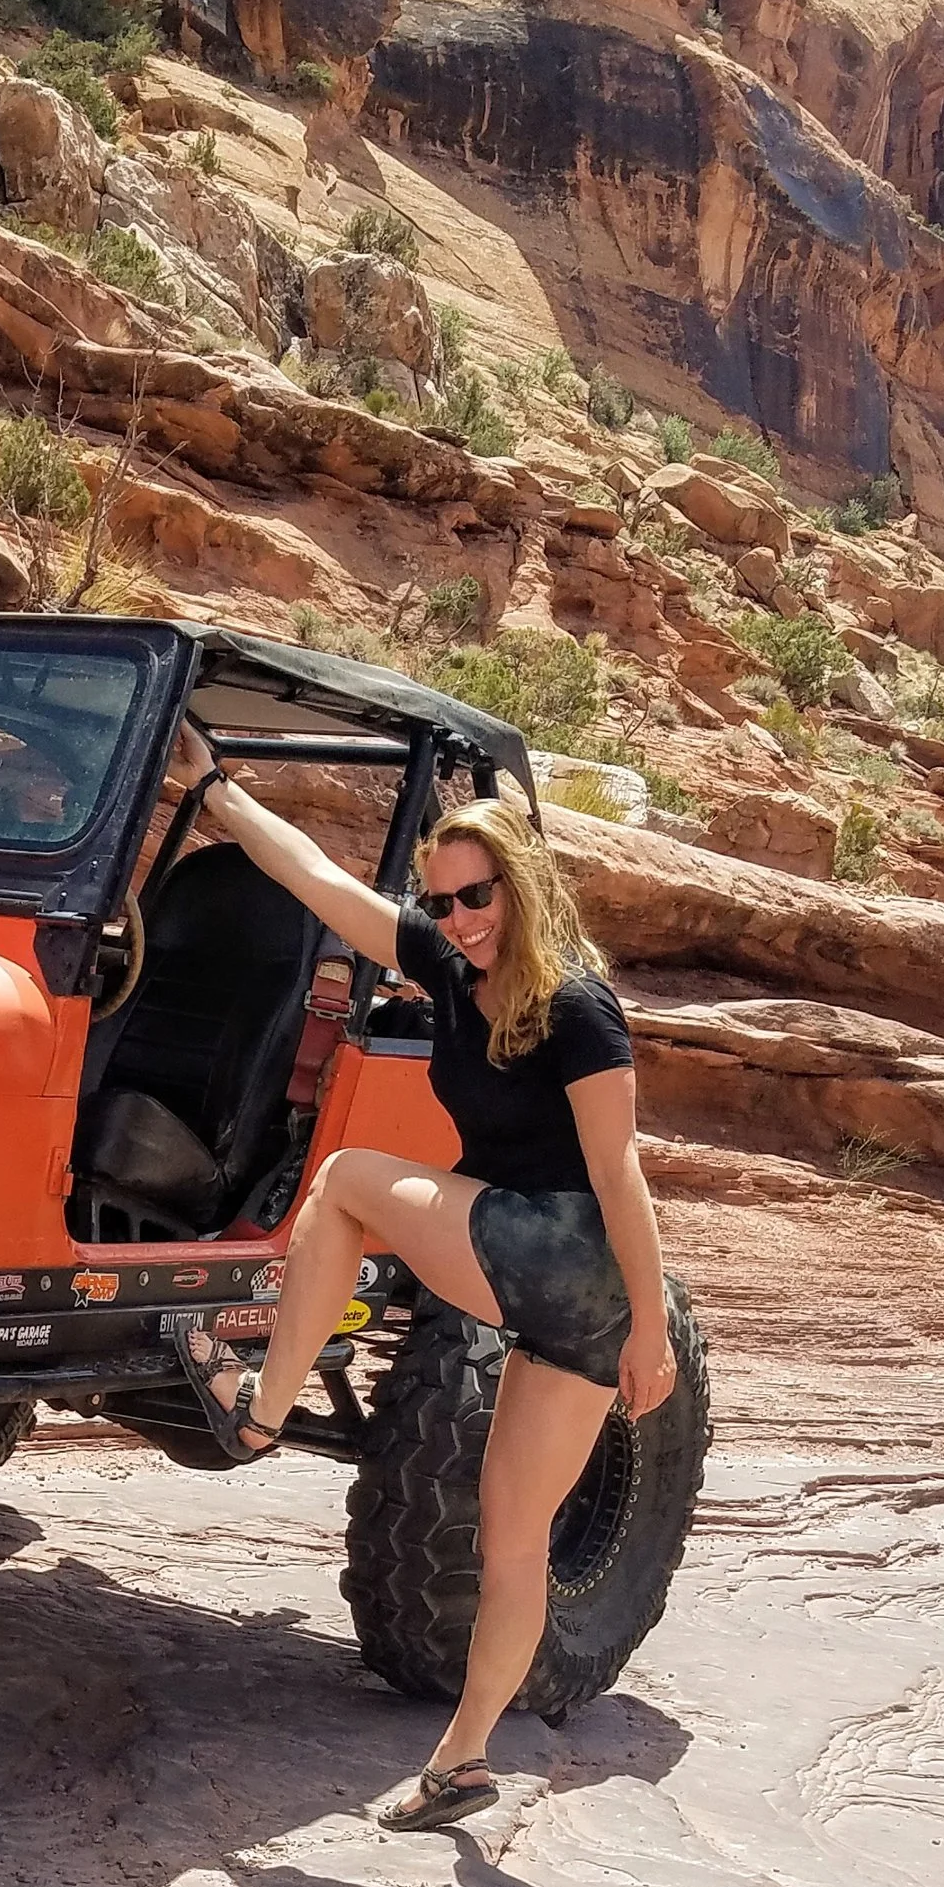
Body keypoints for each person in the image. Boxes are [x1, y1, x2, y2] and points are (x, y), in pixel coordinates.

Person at [161, 728, 679, 1830]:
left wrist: (652, 1329)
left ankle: (259, 1412)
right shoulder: (447, 965)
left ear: (521, 884)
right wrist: (216, 793)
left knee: (344, 1179)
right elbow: (312, 877)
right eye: (441, 904)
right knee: (511, 1540)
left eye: (478, 896)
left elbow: (618, 1172)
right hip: (561, 1296)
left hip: (565, 1250)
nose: (459, 921)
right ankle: (463, 1761)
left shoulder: (578, 1006)